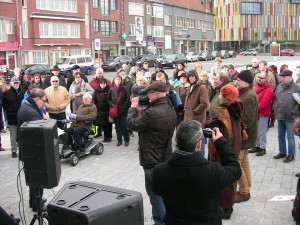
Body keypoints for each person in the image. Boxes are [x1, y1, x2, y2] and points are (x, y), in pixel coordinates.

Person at [152, 120, 242, 225]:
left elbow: (156, 191)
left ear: (176, 139)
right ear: (199, 144)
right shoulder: (213, 172)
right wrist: (221, 142)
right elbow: (235, 169)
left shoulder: (159, 172)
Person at [127, 81, 177, 225]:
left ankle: (160, 222)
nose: (147, 96)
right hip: (164, 156)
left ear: (156, 93)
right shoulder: (169, 107)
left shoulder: (153, 113)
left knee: (154, 195)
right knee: (162, 192)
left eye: (149, 93)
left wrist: (132, 108)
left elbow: (133, 124)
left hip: (152, 159)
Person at [205, 84, 243, 219]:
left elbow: (208, 125)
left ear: (226, 98)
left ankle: (225, 207)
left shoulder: (223, 112)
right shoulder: (237, 107)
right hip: (234, 145)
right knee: (231, 176)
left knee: (223, 177)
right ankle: (228, 205)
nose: (219, 96)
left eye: (222, 95)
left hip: (224, 147)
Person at [17, 88, 49, 212]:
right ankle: (37, 205)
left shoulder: (27, 106)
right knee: (37, 179)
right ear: (37, 99)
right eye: (44, 101)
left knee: (34, 179)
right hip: (33, 152)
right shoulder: (30, 112)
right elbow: (39, 131)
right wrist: (45, 120)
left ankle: (35, 201)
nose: (44, 104)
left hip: (30, 151)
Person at [235, 70, 258, 203]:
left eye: (239, 80)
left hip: (244, 135)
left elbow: (248, 119)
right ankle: (246, 188)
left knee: (237, 162)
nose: (236, 81)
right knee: (244, 162)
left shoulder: (249, 96)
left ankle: (244, 191)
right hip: (245, 134)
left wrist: (237, 129)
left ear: (246, 82)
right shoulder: (244, 93)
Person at [273, 70, 300, 163]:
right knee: (280, 136)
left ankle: (291, 154)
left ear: (290, 77)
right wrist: (275, 108)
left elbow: (299, 103)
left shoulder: (296, 87)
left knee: (290, 137)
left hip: (290, 116)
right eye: (281, 77)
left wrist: (294, 111)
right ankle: (282, 152)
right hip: (279, 115)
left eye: (284, 77)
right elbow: (275, 99)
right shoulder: (279, 86)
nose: (282, 79)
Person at [184, 69, 209, 157]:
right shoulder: (189, 88)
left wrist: (194, 111)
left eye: (192, 76)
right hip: (189, 119)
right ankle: (195, 159)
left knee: (199, 140)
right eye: (189, 77)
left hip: (197, 119)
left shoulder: (201, 87)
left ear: (196, 77)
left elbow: (204, 103)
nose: (191, 78)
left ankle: (201, 159)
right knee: (193, 141)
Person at [249, 71, 273, 156]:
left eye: (261, 78)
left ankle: (263, 148)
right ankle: (257, 146)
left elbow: (264, 103)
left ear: (266, 79)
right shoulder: (256, 87)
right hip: (256, 113)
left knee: (262, 132)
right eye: (259, 77)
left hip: (263, 114)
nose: (259, 79)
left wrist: (253, 109)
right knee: (256, 131)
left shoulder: (268, 90)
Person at [3, 77, 25, 158]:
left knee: (22, 134)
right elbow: (4, 105)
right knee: (13, 135)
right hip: (12, 117)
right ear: (11, 84)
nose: (16, 84)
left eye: (17, 83)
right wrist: (10, 111)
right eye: (14, 83)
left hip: (22, 117)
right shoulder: (6, 93)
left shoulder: (22, 92)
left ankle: (23, 149)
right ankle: (14, 150)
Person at [107, 74, 130, 147]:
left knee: (124, 126)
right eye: (117, 79)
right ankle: (119, 140)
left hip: (123, 111)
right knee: (117, 127)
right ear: (114, 80)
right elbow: (108, 99)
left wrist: (124, 107)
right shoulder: (111, 89)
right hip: (115, 111)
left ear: (121, 80)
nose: (118, 81)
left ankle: (126, 140)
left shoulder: (124, 88)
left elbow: (128, 98)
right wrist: (111, 104)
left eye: (119, 79)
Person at [93, 78, 113, 142]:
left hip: (108, 110)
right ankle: (105, 137)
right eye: (101, 83)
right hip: (101, 110)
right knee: (103, 124)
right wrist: (97, 108)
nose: (103, 85)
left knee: (109, 124)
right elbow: (95, 100)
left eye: (104, 83)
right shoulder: (96, 91)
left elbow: (111, 99)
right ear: (99, 84)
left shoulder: (109, 90)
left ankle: (109, 137)